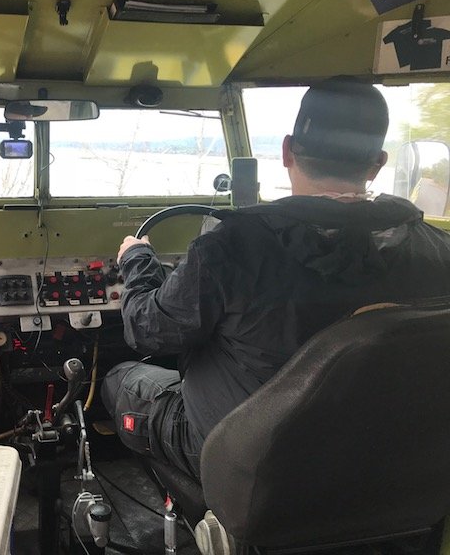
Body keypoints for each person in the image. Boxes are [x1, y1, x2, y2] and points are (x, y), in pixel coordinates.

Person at [102, 77, 450, 479]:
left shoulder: (230, 248)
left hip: (248, 460)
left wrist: (137, 260)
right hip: (385, 454)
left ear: (286, 151)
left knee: (122, 379)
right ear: (378, 163)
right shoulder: (437, 249)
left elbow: (147, 330)